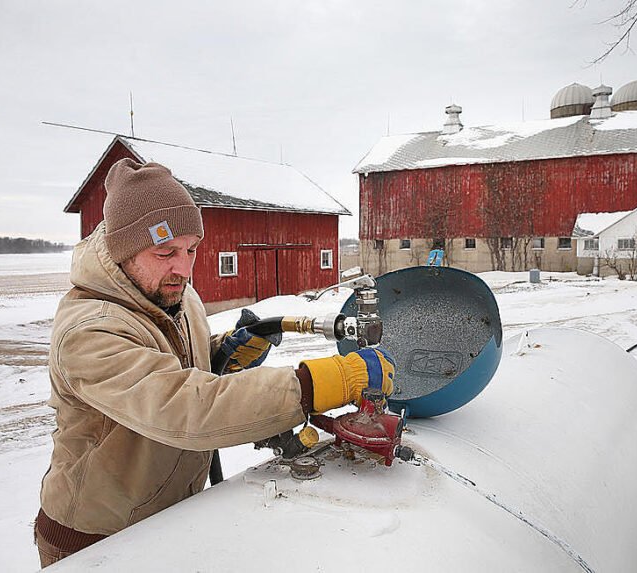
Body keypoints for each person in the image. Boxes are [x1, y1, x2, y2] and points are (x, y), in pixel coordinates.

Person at [34, 158, 394, 567]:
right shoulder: (89, 331)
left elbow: (173, 364)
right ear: (122, 251)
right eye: (165, 251)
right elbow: (184, 408)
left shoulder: (171, 292)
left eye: (191, 250)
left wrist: (221, 352)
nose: (184, 268)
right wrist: (319, 383)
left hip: (169, 515)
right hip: (97, 540)